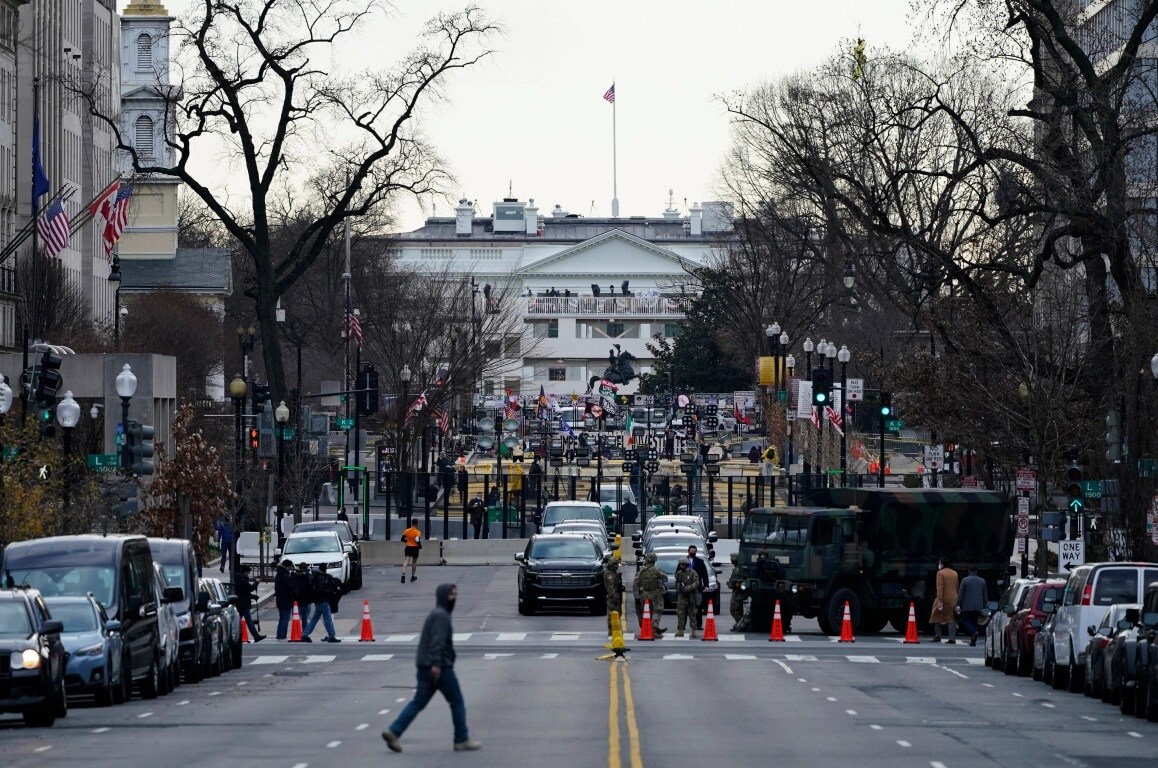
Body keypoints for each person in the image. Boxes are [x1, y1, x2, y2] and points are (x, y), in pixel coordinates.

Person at [382, 585, 480, 753]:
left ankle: (394, 731)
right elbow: (437, 642)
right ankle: (461, 738)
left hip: (425, 666)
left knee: (418, 702)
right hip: (440, 668)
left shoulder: (437, 614)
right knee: (457, 701)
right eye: (451, 595)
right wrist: (436, 664)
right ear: (444, 596)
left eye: (456, 595)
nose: (454, 599)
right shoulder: (441, 616)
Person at [301, 564, 341, 643]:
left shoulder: (316, 576)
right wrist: (330, 591)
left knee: (314, 619)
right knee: (328, 619)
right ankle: (331, 636)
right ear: (325, 569)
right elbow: (321, 590)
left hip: (318, 601)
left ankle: (305, 634)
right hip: (323, 600)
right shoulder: (322, 578)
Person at [634, 552, 667, 636]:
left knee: (644, 612)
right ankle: (653, 628)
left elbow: (635, 584)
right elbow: (665, 579)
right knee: (657, 611)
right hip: (656, 595)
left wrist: (636, 597)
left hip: (644, 595)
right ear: (654, 561)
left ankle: (646, 628)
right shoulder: (656, 570)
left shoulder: (641, 571)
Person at [930, 558, 959, 643]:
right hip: (953, 597)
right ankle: (952, 638)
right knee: (952, 618)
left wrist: (939, 601)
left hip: (943, 598)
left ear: (942, 564)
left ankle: (937, 636)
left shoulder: (940, 573)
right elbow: (956, 586)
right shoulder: (955, 573)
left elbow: (940, 588)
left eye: (939, 563)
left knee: (935, 616)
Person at [233, 565, 266, 642]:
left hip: (241, 602)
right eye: (248, 572)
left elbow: (244, 592)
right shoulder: (242, 580)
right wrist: (256, 582)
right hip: (243, 604)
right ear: (244, 572)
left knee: (238, 621)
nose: (249, 574)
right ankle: (256, 636)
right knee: (249, 620)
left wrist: (253, 597)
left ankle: (235, 636)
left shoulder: (240, 579)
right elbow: (250, 588)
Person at [956, 567, 987, 646]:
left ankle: (973, 632)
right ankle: (973, 640)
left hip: (967, 606)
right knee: (975, 622)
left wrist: (958, 605)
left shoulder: (965, 580)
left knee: (964, 621)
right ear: (976, 571)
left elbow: (960, 595)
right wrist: (985, 606)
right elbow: (985, 596)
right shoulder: (982, 581)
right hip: (979, 606)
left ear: (968, 571)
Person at [674, 558, 702, 638]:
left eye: (682, 564)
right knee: (680, 614)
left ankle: (693, 632)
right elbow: (677, 582)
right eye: (680, 564)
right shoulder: (679, 573)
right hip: (681, 597)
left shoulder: (693, 573)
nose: (681, 566)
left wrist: (689, 588)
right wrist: (678, 590)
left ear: (686, 565)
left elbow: (696, 582)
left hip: (691, 596)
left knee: (692, 614)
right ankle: (680, 631)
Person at [686, 545, 711, 629]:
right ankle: (682, 626)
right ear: (688, 551)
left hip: (697, 587)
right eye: (691, 551)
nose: (693, 552)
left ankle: (698, 624)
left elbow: (705, 575)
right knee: (685, 606)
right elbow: (678, 573)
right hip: (686, 587)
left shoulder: (700, 562)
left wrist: (706, 585)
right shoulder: (684, 561)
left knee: (698, 605)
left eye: (694, 551)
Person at [603, 556, 625, 634]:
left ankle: (616, 629)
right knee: (612, 614)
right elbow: (611, 587)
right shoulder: (609, 574)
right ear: (611, 565)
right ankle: (612, 631)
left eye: (617, 564)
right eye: (615, 564)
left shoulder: (614, 574)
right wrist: (614, 598)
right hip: (613, 597)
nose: (617, 566)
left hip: (617, 596)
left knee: (618, 613)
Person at [290, 562, 314, 633]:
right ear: (307, 568)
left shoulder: (294, 576)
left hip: (296, 601)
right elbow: (311, 588)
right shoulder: (309, 576)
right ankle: (305, 633)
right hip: (306, 600)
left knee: (296, 618)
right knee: (305, 619)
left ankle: (296, 632)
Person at [274, 559, 295, 640]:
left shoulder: (279, 575)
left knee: (282, 617)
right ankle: (282, 634)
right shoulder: (285, 576)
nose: (290, 569)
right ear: (287, 566)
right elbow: (290, 586)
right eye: (290, 567)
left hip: (280, 599)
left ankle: (279, 634)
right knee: (285, 618)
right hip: (286, 599)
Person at [728, 567, 749, 633]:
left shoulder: (742, 569)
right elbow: (731, 582)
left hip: (739, 592)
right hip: (735, 592)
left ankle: (741, 625)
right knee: (732, 610)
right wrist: (731, 584)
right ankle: (740, 624)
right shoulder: (735, 570)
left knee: (737, 609)